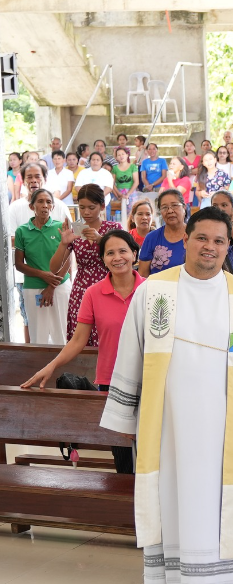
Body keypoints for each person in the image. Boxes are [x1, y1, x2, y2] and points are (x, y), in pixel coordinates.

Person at [99, 206, 233, 584]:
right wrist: (128, 419)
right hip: (164, 424)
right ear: (186, 240)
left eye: (220, 241)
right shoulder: (154, 291)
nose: (211, 247)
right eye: (202, 238)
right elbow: (130, 352)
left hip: (223, 428)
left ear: (228, 246)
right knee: (168, 502)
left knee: (216, 506)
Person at [23, 229, 144, 472]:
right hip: (112, 382)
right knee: (123, 458)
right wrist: (51, 366)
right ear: (103, 259)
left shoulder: (150, 290)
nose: (117, 257)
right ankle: (125, 507)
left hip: (149, 379)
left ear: (134, 254)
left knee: (151, 454)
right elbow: (78, 340)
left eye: (123, 251)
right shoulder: (93, 293)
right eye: (110, 253)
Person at [49, 184, 120, 344]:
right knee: (81, 340)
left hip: (110, 290)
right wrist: (63, 243)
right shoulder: (75, 229)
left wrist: (101, 240)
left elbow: (122, 259)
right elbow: (53, 268)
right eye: (82, 207)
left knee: (108, 339)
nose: (86, 212)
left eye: (91, 207)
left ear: (102, 206)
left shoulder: (114, 228)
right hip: (81, 293)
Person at [15, 188, 73, 344]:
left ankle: (63, 368)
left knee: (62, 333)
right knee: (37, 335)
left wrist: (51, 286)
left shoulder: (61, 228)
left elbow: (68, 259)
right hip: (33, 287)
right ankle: (41, 368)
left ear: (53, 207)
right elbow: (19, 265)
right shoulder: (22, 231)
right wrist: (42, 275)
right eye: (40, 201)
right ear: (32, 206)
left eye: (48, 202)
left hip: (60, 286)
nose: (45, 205)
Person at [138, 189, 188, 277]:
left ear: (184, 207)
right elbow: (143, 276)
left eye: (174, 205)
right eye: (164, 207)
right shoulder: (151, 238)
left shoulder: (194, 235)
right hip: (157, 289)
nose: (170, 211)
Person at [110, 147, 138, 219]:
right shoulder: (115, 168)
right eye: (118, 155)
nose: (121, 156)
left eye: (123, 154)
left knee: (132, 214)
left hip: (131, 193)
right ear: (116, 157)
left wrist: (128, 194)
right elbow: (112, 184)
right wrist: (119, 195)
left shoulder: (133, 167)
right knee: (118, 215)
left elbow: (136, 182)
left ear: (127, 155)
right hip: (118, 193)